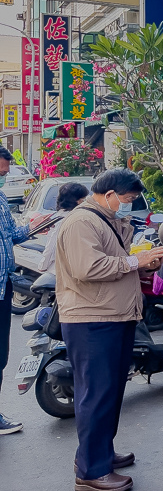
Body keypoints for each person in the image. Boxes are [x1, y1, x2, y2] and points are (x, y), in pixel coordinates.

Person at [56, 168, 163, 491]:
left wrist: (141, 260)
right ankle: (91, 472)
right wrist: (135, 262)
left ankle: (98, 454)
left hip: (113, 315)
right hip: (92, 319)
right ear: (109, 195)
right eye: (128, 199)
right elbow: (87, 267)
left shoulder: (101, 219)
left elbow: (113, 257)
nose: (129, 205)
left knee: (110, 392)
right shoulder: (82, 222)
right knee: (97, 395)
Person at [0, 147, 55, 435]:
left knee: (1, 355)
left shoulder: (0, 199)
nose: (6, 174)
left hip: (4, 285)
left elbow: (11, 235)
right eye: (2, 170)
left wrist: (39, 225)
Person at [40, 181, 90, 271]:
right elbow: (53, 245)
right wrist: (43, 265)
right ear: (77, 201)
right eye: (83, 199)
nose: (85, 201)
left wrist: (43, 266)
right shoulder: (64, 218)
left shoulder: (63, 216)